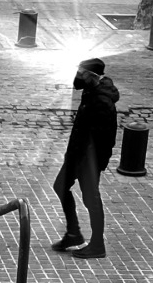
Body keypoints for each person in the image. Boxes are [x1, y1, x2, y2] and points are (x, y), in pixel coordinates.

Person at [50, 58, 120, 259]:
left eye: (82, 73)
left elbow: (106, 137)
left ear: (92, 76)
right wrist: (80, 72)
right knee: (60, 186)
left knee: (91, 199)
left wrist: (97, 163)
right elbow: (77, 85)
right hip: (77, 153)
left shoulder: (103, 101)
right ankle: (73, 234)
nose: (79, 75)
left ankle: (97, 244)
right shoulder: (90, 89)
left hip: (88, 158)